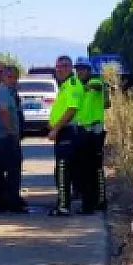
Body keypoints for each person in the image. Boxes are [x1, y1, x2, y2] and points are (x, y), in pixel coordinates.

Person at [0, 63, 28, 214]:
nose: (13, 80)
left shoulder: (6, 91)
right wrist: (12, 132)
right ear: (3, 77)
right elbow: (4, 112)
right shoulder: (3, 91)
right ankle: (12, 202)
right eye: (9, 77)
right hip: (4, 137)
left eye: (15, 77)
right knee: (13, 170)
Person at [45, 54, 83, 217]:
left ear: (70, 68)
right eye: (58, 66)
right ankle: (63, 203)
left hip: (68, 132)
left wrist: (56, 129)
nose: (60, 69)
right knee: (62, 170)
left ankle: (63, 206)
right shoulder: (65, 85)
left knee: (63, 170)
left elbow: (72, 109)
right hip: (64, 131)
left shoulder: (73, 84)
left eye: (64, 66)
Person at [71, 57, 108, 214]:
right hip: (82, 131)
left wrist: (87, 86)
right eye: (78, 69)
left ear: (89, 70)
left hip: (95, 132)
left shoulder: (96, 82)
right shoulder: (76, 85)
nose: (80, 72)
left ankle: (94, 203)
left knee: (94, 169)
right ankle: (91, 202)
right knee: (84, 169)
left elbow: (98, 86)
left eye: (83, 69)